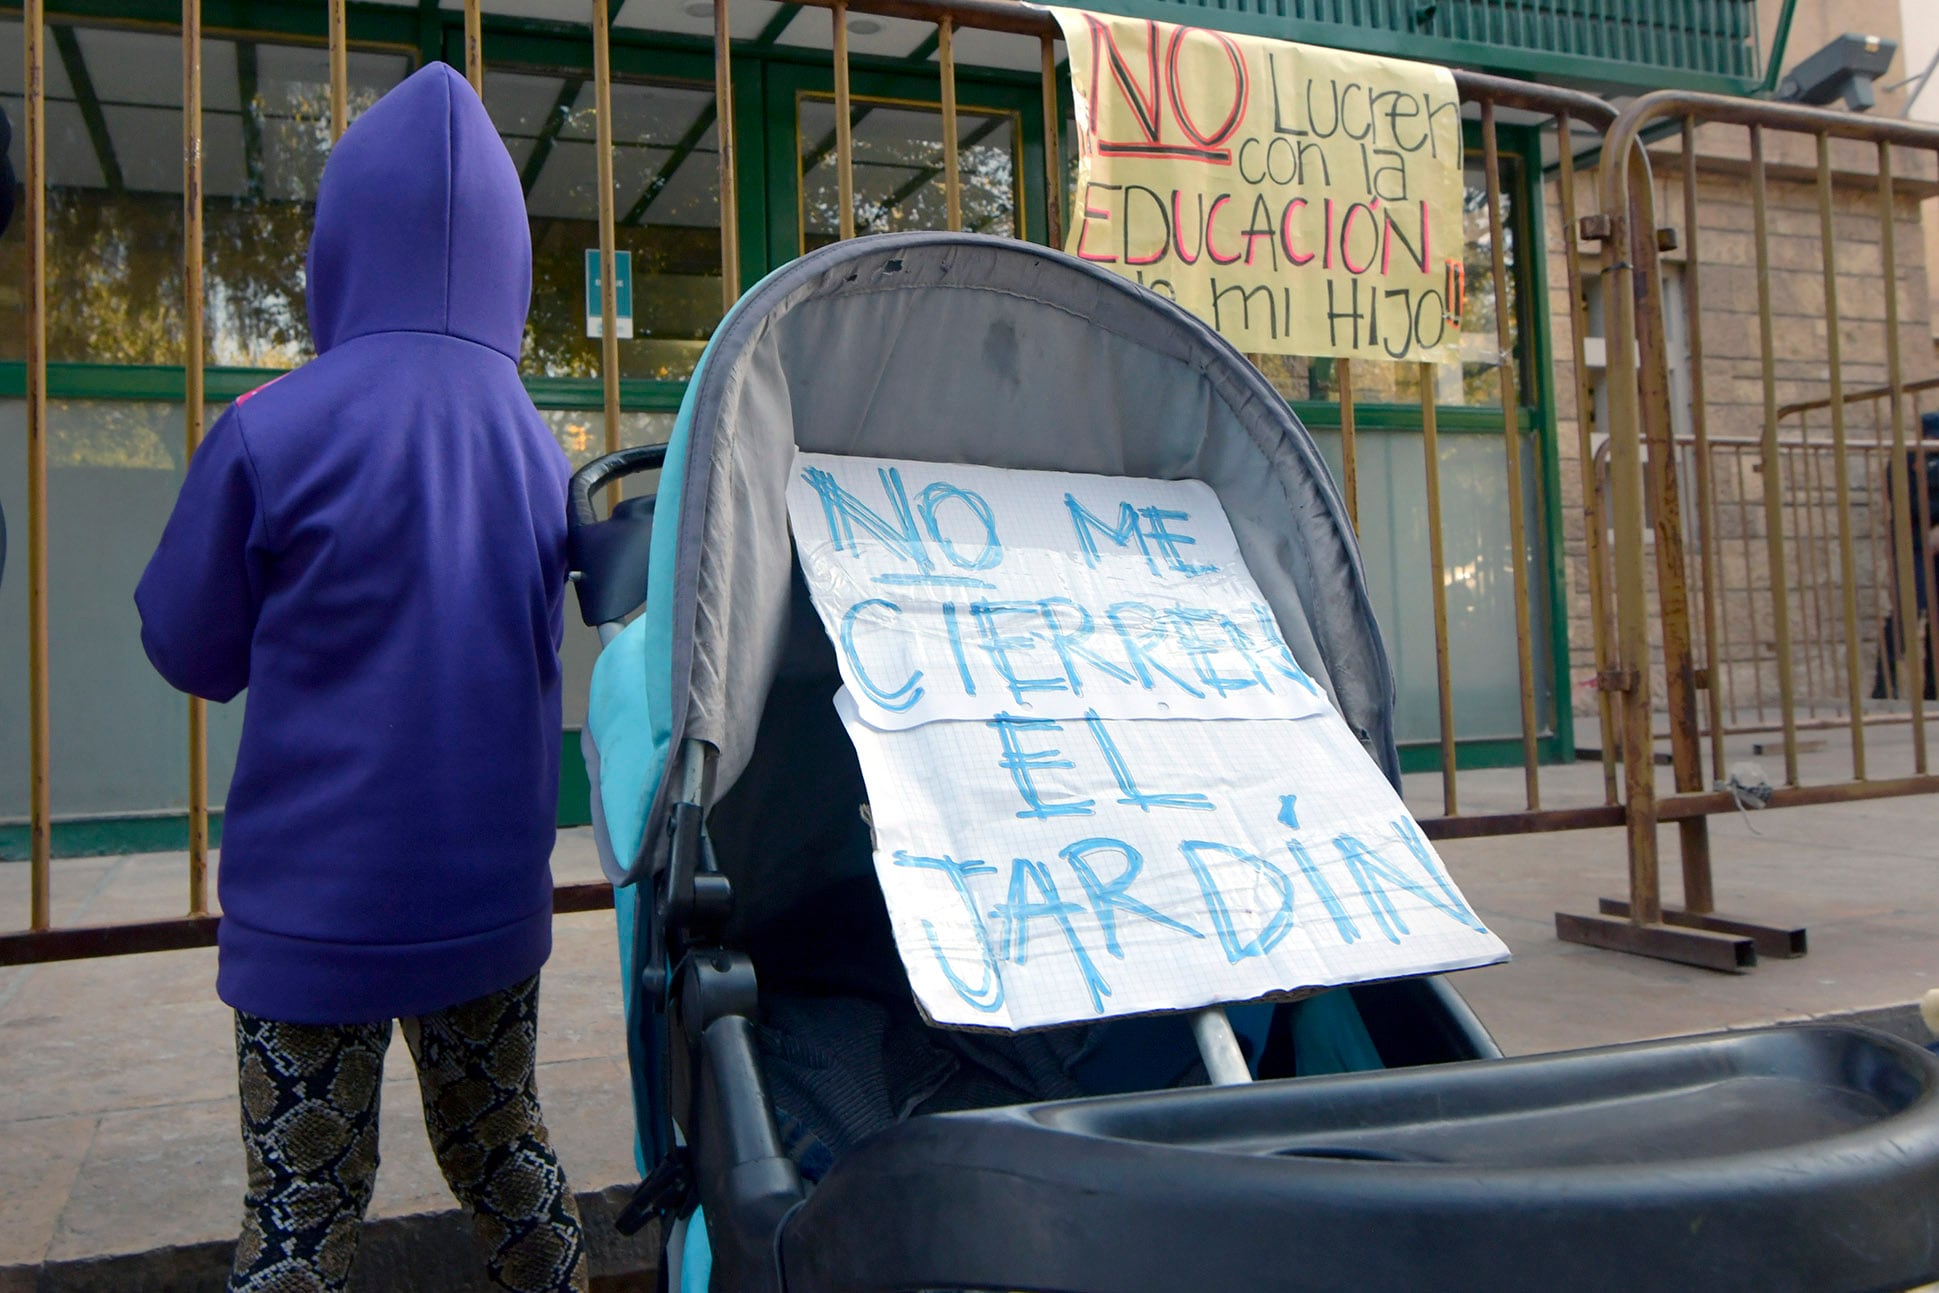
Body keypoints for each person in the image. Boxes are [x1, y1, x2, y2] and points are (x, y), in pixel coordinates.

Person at [134, 64, 582, 1292]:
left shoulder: (273, 429)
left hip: (314, 915)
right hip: (487, 904)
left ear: (342, 242)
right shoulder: (542, 449)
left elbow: (189, 648)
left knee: (301, 1209)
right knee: (504, 1155)